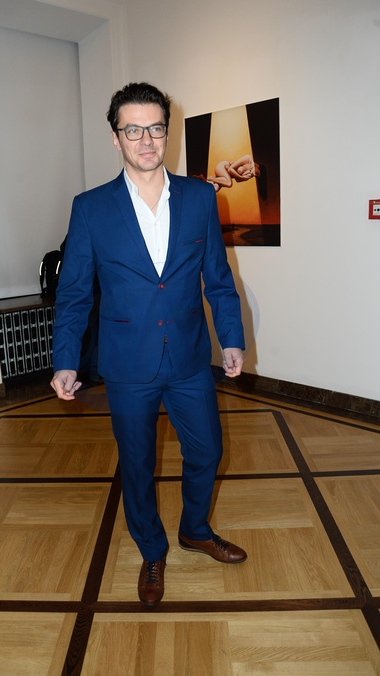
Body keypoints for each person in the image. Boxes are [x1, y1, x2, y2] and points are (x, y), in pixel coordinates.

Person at [50, 82, 248, 607]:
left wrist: (231, 337)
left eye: (155, 128)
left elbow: (218, 278)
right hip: (127, 361)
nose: (146, 140)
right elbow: (74, 294)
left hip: (189, 357)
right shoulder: (91, 208)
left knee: (207, 451)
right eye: (133, 130)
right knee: (137, 465)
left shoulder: (200, 197)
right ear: (116, 138)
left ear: (167, 132)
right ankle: (152, 550)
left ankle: (195, 529)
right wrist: (65, 360)